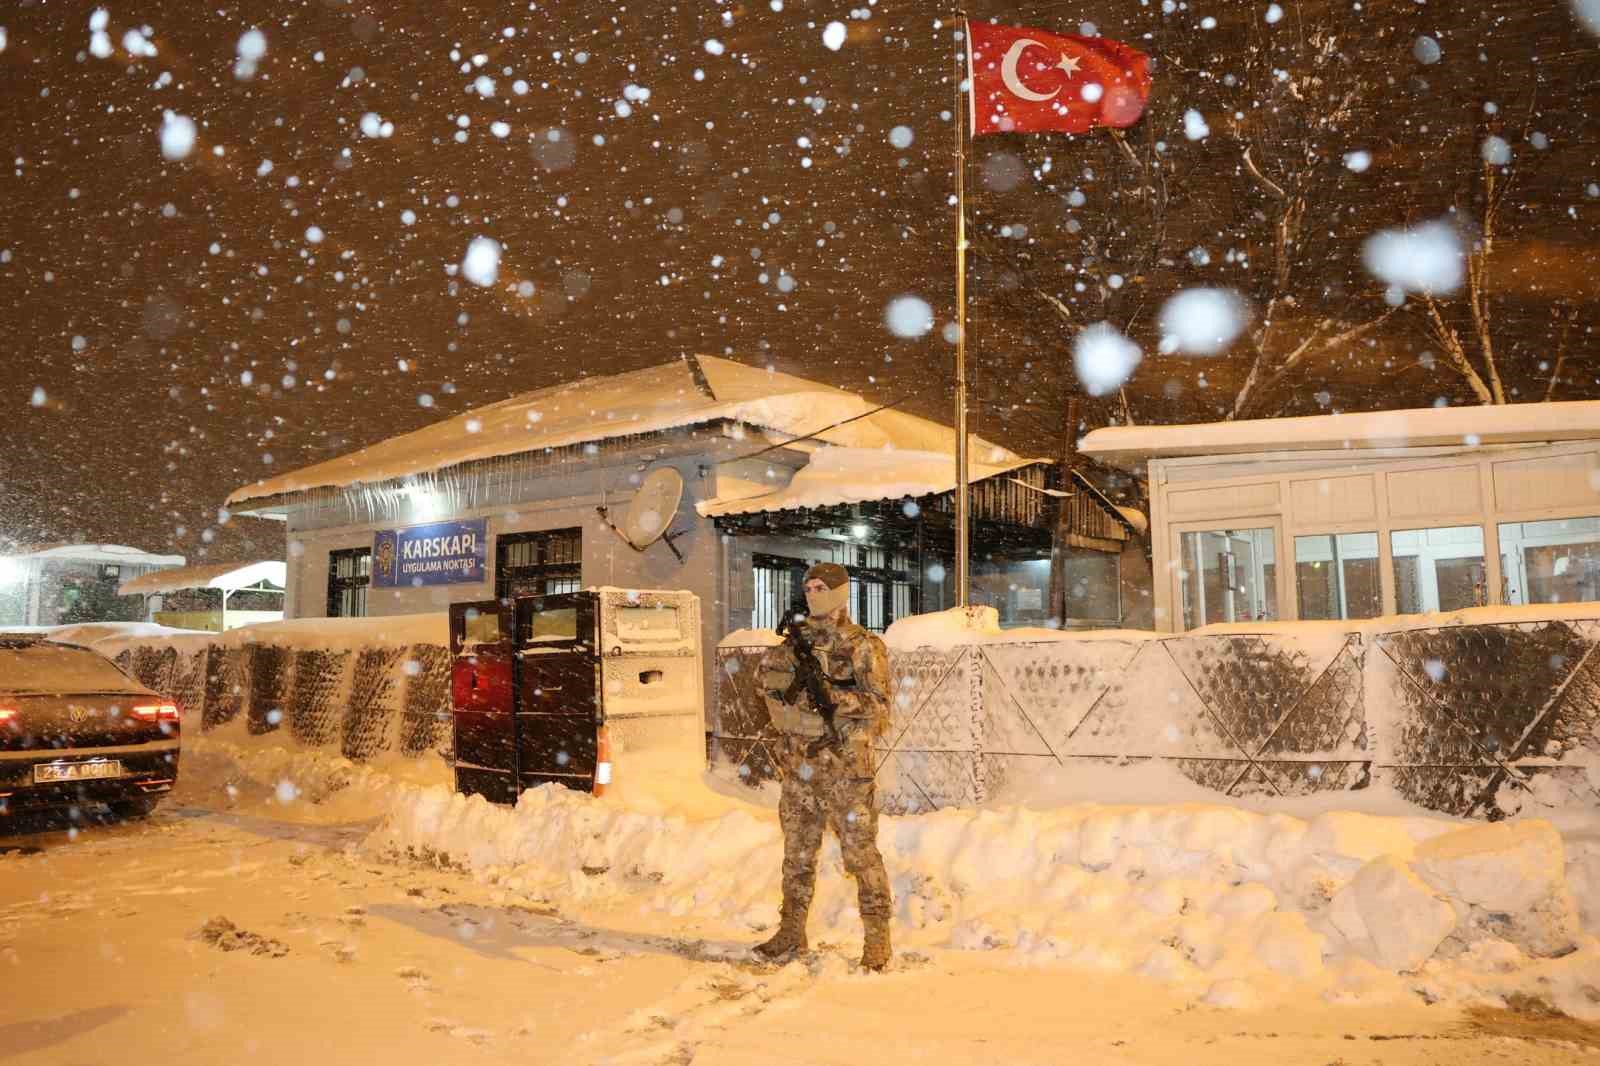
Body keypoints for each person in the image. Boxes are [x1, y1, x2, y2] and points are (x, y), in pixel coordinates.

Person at [754, 562, 893, 971]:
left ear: (840, 591)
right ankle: (791, 932)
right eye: (808, 587)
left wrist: (834, 700)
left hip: (847, 771)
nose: (814, 593)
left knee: (861, 856)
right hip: (800, 770)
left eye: (822, 587)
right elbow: (769, 692)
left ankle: (877, 940)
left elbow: (881, 709)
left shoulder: (864, 645)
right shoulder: (790, 643)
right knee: (796, 855)